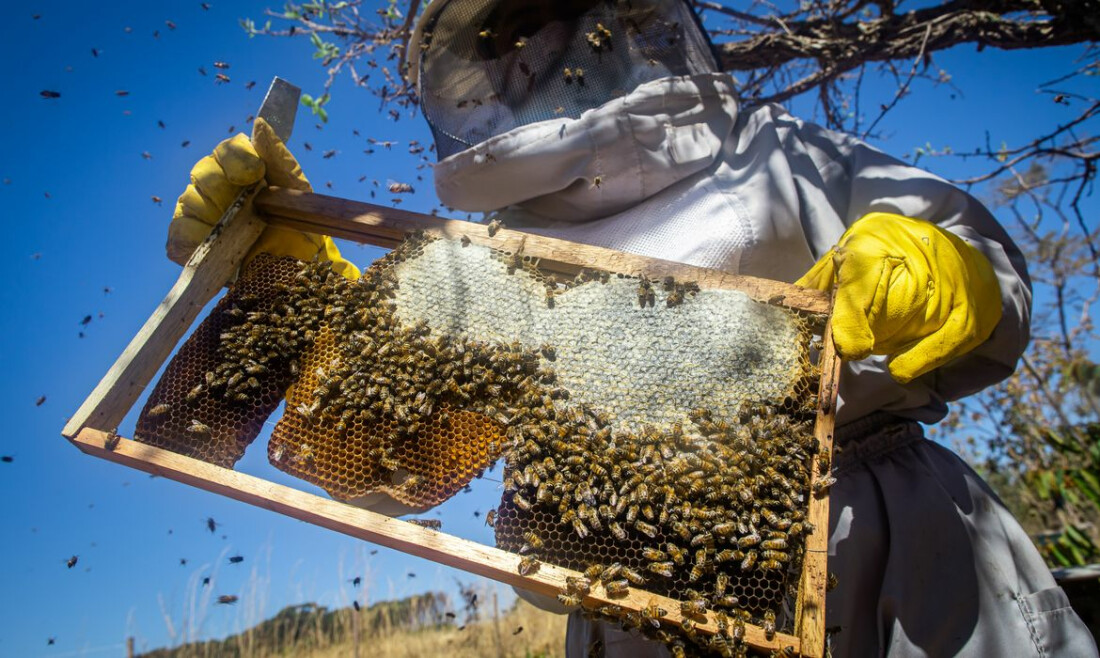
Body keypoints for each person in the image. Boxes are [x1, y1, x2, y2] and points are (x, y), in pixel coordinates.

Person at [167, 0, 1097, 654]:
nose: (530, 53)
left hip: (889, 545)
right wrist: (309, 296)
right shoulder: (483, 261)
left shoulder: (777, 151)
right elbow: (387, 460)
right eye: (502, 38)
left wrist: (949, 263)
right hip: (637, 592)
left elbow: (976, 264)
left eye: (549, 18)